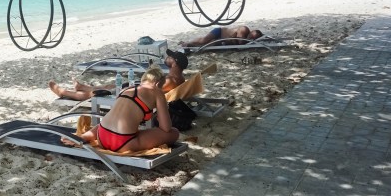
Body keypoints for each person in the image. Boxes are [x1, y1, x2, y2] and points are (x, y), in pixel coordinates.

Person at [72, 67, 180, 152]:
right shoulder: (157, 91)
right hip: (122, 143)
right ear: (157, 83)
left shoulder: (127, 89)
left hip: (102, 137)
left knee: (110, 120)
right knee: (174, 133)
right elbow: (166, 128)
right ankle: (86, 137)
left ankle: (85, 136)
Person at [48, 49, 189, 100]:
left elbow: (152, 90)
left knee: (99, 93)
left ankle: (65, 93)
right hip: (141, 90)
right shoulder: (179, 78)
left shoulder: (170, 80)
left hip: (139, 95)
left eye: (170, 57)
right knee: (111, 85)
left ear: (175, 63)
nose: (167, 58)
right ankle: (81, 86)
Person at [179, 26, 263, 48]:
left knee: (206, 45)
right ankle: (187, 42)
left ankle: (189, 45)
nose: (250, 38)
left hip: (221, 40)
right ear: (251, 31)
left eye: (253, 38)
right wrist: (248, 40)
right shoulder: (245, 29)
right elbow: (240, 41)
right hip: (219, 32)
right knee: (204, 40)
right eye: (251, 35)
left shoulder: (247, 38)